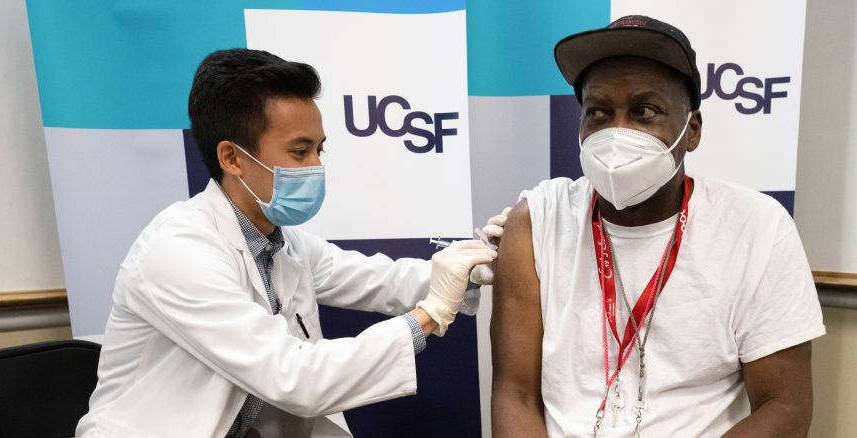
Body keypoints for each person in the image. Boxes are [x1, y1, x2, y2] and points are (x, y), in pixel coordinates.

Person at [76, 48, 504, 438]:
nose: (317, 166)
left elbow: (383, 280)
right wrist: (431, 314)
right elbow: (295, 378)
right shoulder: (177, 252)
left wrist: (478, 260)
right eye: (300, 152)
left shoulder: (283, 244)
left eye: (320, 149)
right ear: (233, 158)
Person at [490, 15, 825, 438]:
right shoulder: (536, 221)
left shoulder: (755, 227)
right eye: (598, 112)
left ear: (692, 130)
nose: (617, 132)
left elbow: (786, 407)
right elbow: (514, 394)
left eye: (645, 112)